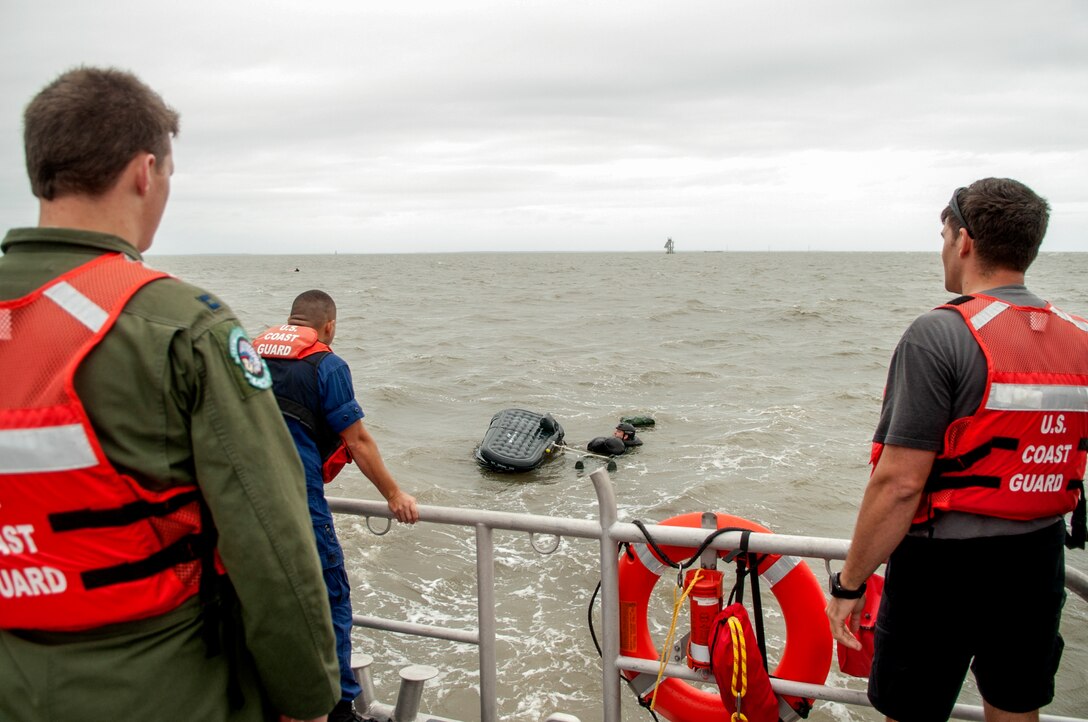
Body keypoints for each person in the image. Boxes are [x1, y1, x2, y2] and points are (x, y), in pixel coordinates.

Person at [0, 67, 339, 722]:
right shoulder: (182, 325)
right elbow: (269, 538)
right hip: (160, 684)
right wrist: (309, 696)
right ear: (143, 171)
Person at [826, 178, 1087, 722]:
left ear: (964, 241)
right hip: (1038, 560)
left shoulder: (938, 334)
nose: (942, 248)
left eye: (944, 235)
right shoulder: (1079, 337)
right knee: (1016, 709)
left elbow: (899, 484)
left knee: (912, 712)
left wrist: (849, 583)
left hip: (941, 569)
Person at [253, 291, 419, 722]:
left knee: (262, 598)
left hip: (242, 500)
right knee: (331, 599)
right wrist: (394, 495)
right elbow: (357, 441)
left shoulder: (247, 354)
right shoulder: (327, 364)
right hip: (297, 500)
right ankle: (340, 706)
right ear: (329, 326)